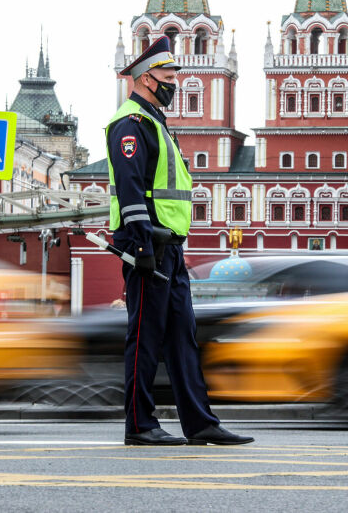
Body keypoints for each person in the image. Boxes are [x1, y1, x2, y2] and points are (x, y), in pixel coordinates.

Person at [106, 35, 253, 446]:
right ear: (146, 77)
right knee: (145, 338)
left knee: (183, 337)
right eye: (168, 75)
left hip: (169, 248)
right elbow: (132, 191)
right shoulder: (130, 125)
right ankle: (139, 425)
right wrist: (142, 248)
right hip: (146, 247)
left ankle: (200, 422)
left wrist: (168, 248)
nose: (174, 82)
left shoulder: (155, 123)